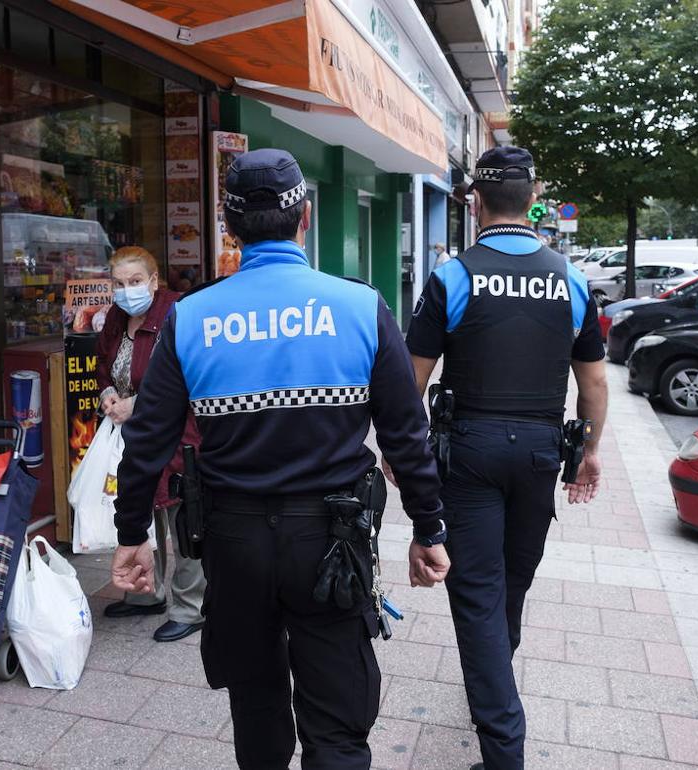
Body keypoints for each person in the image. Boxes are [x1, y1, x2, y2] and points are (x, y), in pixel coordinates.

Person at [109, 149, 449, 770]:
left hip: (233, 542)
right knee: (339, 725)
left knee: (257, 710)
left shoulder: (192, 318)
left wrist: (133, 532)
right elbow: (407, 435)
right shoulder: (360, 307)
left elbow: (148, 440)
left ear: (230, 230)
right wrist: (429, 529)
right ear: (306, 218)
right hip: (332, 542)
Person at [400, 146, 609, 770]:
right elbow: (594, 383)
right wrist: (589, 449)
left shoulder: (453, 277)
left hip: (470, 452)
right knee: (511, 580)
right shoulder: (571, 278)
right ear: (533, 195)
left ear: (476, 201)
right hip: (543, 450)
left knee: (479, 592)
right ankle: (496, 683)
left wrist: (403, 453)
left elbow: (412, 381)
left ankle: (502, 748)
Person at [95, 246, 206, 643]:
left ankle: (190, 607)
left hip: (179, 434)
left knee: (183, 518)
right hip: (131, 436)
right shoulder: (114, 319)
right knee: (143, 511)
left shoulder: (178, 314)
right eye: (120, 284)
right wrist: (108, 392)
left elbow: (192, 380)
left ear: (155, 281)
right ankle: (147, 595)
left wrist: (137, 404)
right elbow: (103, 364)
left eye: (136, 281)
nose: (127, 291)